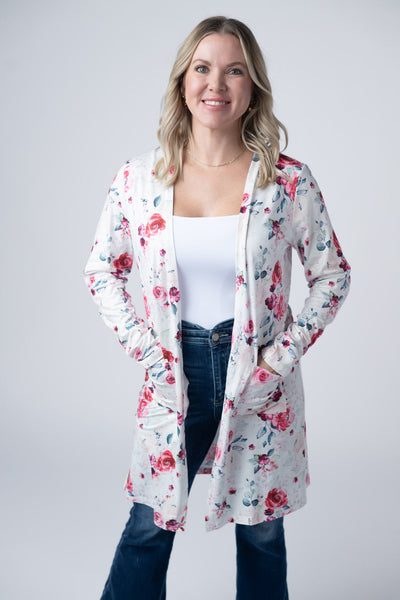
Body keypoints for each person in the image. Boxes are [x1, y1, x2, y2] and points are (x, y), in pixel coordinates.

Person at [84, 15, 351, 600]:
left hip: (257, 374)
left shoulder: (287, 182)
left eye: (235, 71)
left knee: (261, 531)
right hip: (174, 369)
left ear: (252, 87)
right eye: (203, 68)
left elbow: (332, 276)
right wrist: (147, 352)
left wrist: (278, 360)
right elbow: (102, 269)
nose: (217, 84)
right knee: (150, 524)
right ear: (183, 80)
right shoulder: (139, 179)